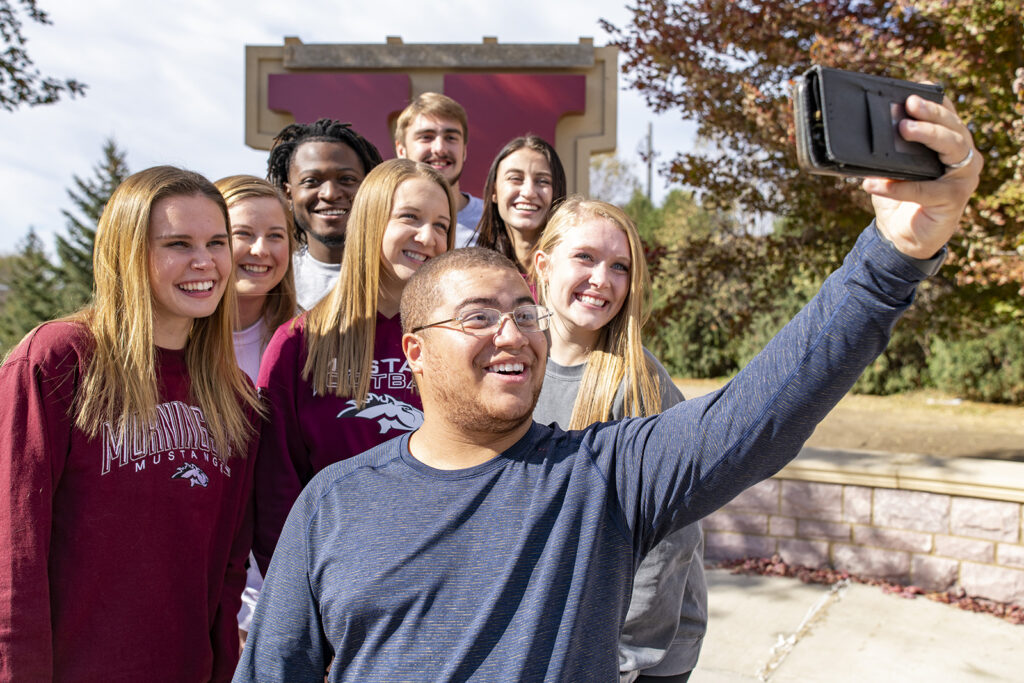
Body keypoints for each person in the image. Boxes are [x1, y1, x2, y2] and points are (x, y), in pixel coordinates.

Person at [235, 95, 980, 681]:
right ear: (416, 354)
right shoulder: (332, 506)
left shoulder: (601, 477)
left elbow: (763, 409)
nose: (515, 332)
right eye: (480, 316)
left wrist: (895, 255)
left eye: (525, 312)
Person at [0, 166, 260, 682]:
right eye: (178, 243)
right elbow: (14, 549)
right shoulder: (58, 360)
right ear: (128, 253)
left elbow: (227, 574)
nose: (204, 261)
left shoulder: (237, 398)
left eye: (216, 242)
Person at [251, 158, 456, 574]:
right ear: (370, 220)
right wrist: (304, 593)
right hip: (337, 589)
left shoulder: (461, 337)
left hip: (447, 581)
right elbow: (274, 492)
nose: (428, 237)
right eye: (410, 218)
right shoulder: (300, 344)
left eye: (442, 225)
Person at [532, 197, 705, 683]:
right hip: (557, 633)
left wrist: (623, 656)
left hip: (635, 649)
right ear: (543, 265)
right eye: (584, 257)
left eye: (619, 266)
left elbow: (671, 539)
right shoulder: (512, 361)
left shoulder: (638, 384)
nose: (602, 280)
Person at [215, 174, 298, 646]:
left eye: (276, 235)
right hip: (204, 594)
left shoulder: (306, 342)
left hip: (281, 595)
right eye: (243, 234)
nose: (260, 250)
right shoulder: (174, 341)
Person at [266, 118, 383, 310]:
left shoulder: (398, 276)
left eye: (347, 179)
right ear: (288, 194)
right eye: (311, 181)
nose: (330, 193)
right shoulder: (273, 280)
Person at [395, 92, 483, 249]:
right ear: (401, 150)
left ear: (464, 150)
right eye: (426, 137)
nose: (440, 149)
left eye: (450, 138)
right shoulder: (384, 217)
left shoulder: (495, 220)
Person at [474, 134, 567, 273]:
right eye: (515, 178)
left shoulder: (571, 272)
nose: (529, 192)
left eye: (543, 181)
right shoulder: (474, 273)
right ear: (494, 191)